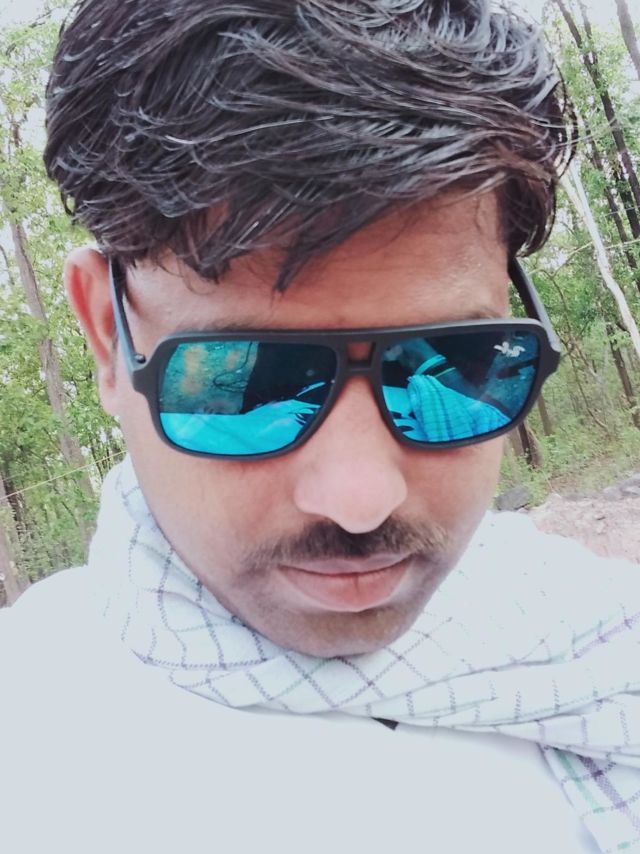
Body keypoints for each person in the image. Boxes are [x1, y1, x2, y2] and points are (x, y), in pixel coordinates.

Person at [1, 1, 638, 852]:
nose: (360, 500)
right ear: (109, 341)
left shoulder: (599, 637)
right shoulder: (32, 750)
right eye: (247, 380)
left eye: (449, 361)